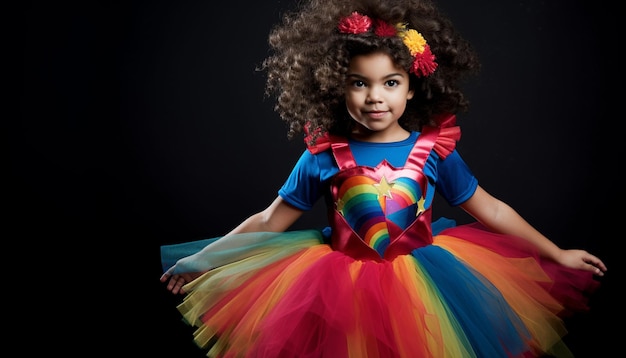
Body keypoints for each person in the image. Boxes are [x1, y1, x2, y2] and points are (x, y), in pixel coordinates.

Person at [160, 0, 607, 356]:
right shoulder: (323, 155)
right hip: (338, 296)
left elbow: (490, 208)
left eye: (390, 83)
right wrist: (205, 259)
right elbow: (267, 220)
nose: (375, 97)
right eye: (360, 83)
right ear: (337, 85)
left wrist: (556, 253)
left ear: (412, 86)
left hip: (428, 294)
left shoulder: (434, 151)